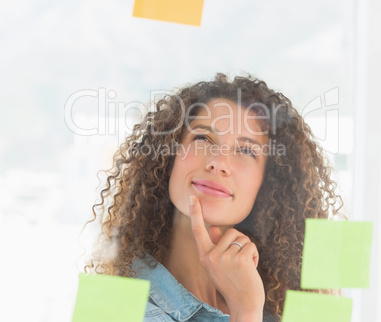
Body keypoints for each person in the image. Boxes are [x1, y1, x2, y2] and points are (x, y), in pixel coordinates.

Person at [84, 73, 343, 321]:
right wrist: (245, 312)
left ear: (267, 184)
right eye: (202, 138)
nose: (218, 162)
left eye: (246, 150)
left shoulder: (291, 307)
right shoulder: (109, 305)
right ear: (168, 156)